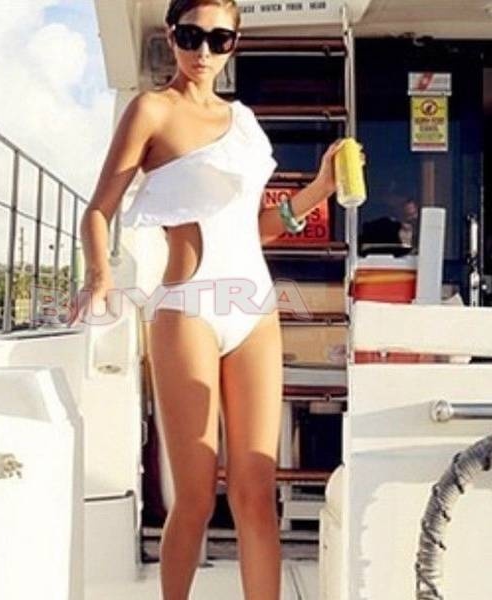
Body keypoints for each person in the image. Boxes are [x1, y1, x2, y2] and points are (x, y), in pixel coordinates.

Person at [68, 1, 344, 597]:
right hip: (187, 308)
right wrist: (99, 275)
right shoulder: (152, 110)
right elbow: (98, 211)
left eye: (219, 39)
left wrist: (320, 187)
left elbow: (258, 228)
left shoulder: (243, 120)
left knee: (255, 490)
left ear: (233, 45)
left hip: (255, 311)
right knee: (195, 495)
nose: (203, 50)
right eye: (192, 35)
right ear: (172, 36)